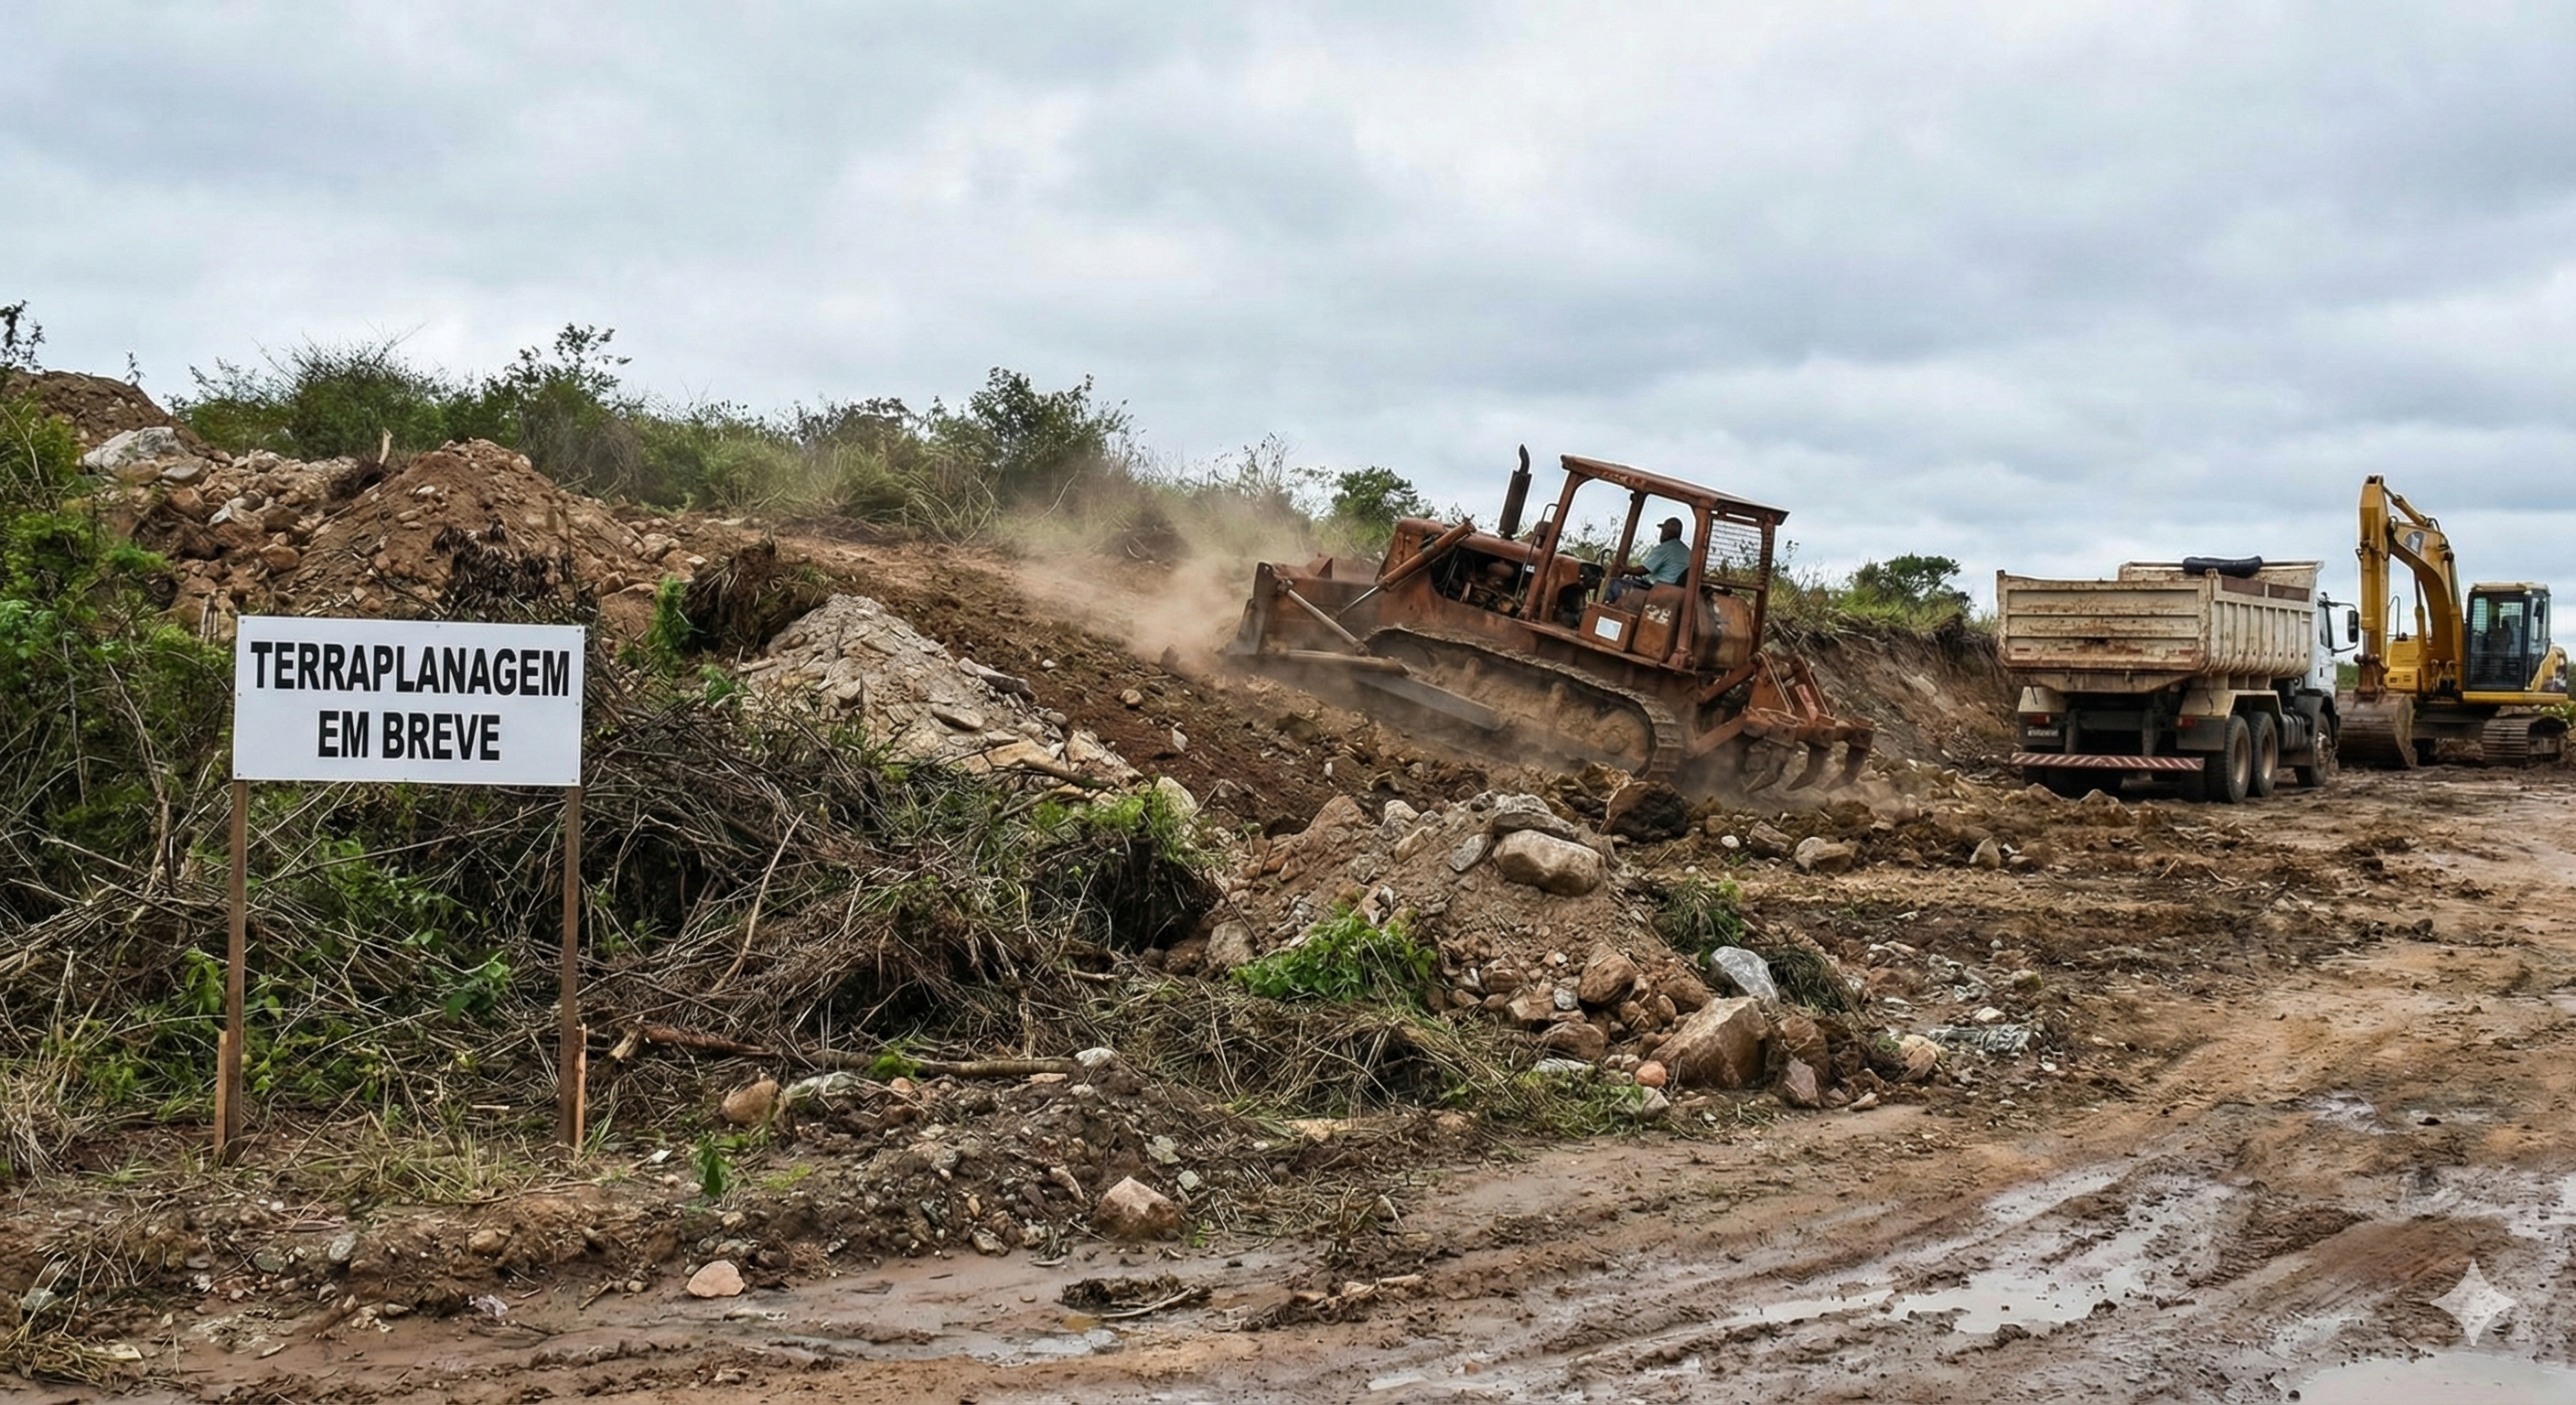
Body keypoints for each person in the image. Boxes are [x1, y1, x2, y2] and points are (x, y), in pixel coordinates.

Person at [1605, 517, 1690, 604]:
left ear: (1666, 533)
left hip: (1654, 587)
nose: (1662, 534)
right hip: (1671, 589)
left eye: (1663, 531)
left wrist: (1624, 569)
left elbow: (1642, 570)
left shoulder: (1666, 548)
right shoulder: (1686, 551)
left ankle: (1604, 612)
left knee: (1613, 583)